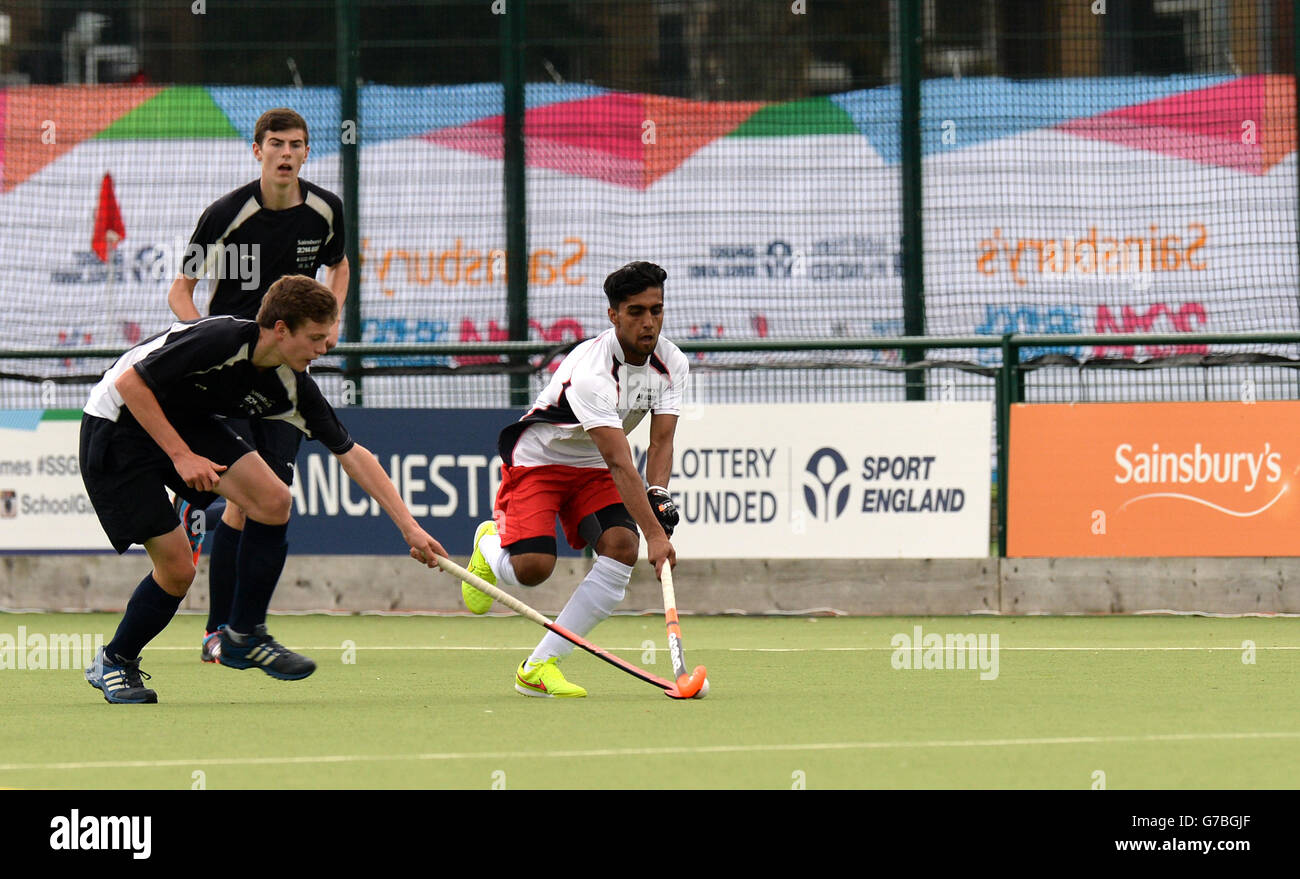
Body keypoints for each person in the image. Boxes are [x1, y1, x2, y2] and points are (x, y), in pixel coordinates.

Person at [82, 276, 445, 704]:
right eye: (315, 337)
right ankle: (116, 660)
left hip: (185, 420)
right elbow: (129, 384)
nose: (324, 348)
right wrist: (181, 456)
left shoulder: (290, 385)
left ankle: (243, 634)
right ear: (280, 329)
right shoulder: (219, 339)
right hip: (117, 424)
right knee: (178, 570)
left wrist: (409, 528)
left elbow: (352, 454)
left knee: (274, 500)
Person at [165, 107, 349, 666]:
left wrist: (330, 320)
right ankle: (225, 630)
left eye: (296, 144)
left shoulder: (325, 211)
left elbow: (339, 266)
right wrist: (202, 336)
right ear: (257, 150)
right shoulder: (225, 214)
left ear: (307, 153)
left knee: (268, 501)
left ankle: (235, 629)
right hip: (231, 379)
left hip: (289, 381)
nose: (286, 153)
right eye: (275, 144)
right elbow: (181, 290)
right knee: (248, 500)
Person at [462, 261, 687, 698]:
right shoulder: (592, 374)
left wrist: (658, 495)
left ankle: (539, 665)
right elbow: (620, 462)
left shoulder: (672, 364)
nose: (649, 322)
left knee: (622, 547)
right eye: (636, 311)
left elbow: (661, 444)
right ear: (613, 315)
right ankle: (489, 543)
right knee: (531, 570)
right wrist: (657, 534)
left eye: (656, 310)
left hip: (592, 467)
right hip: (540, 460)